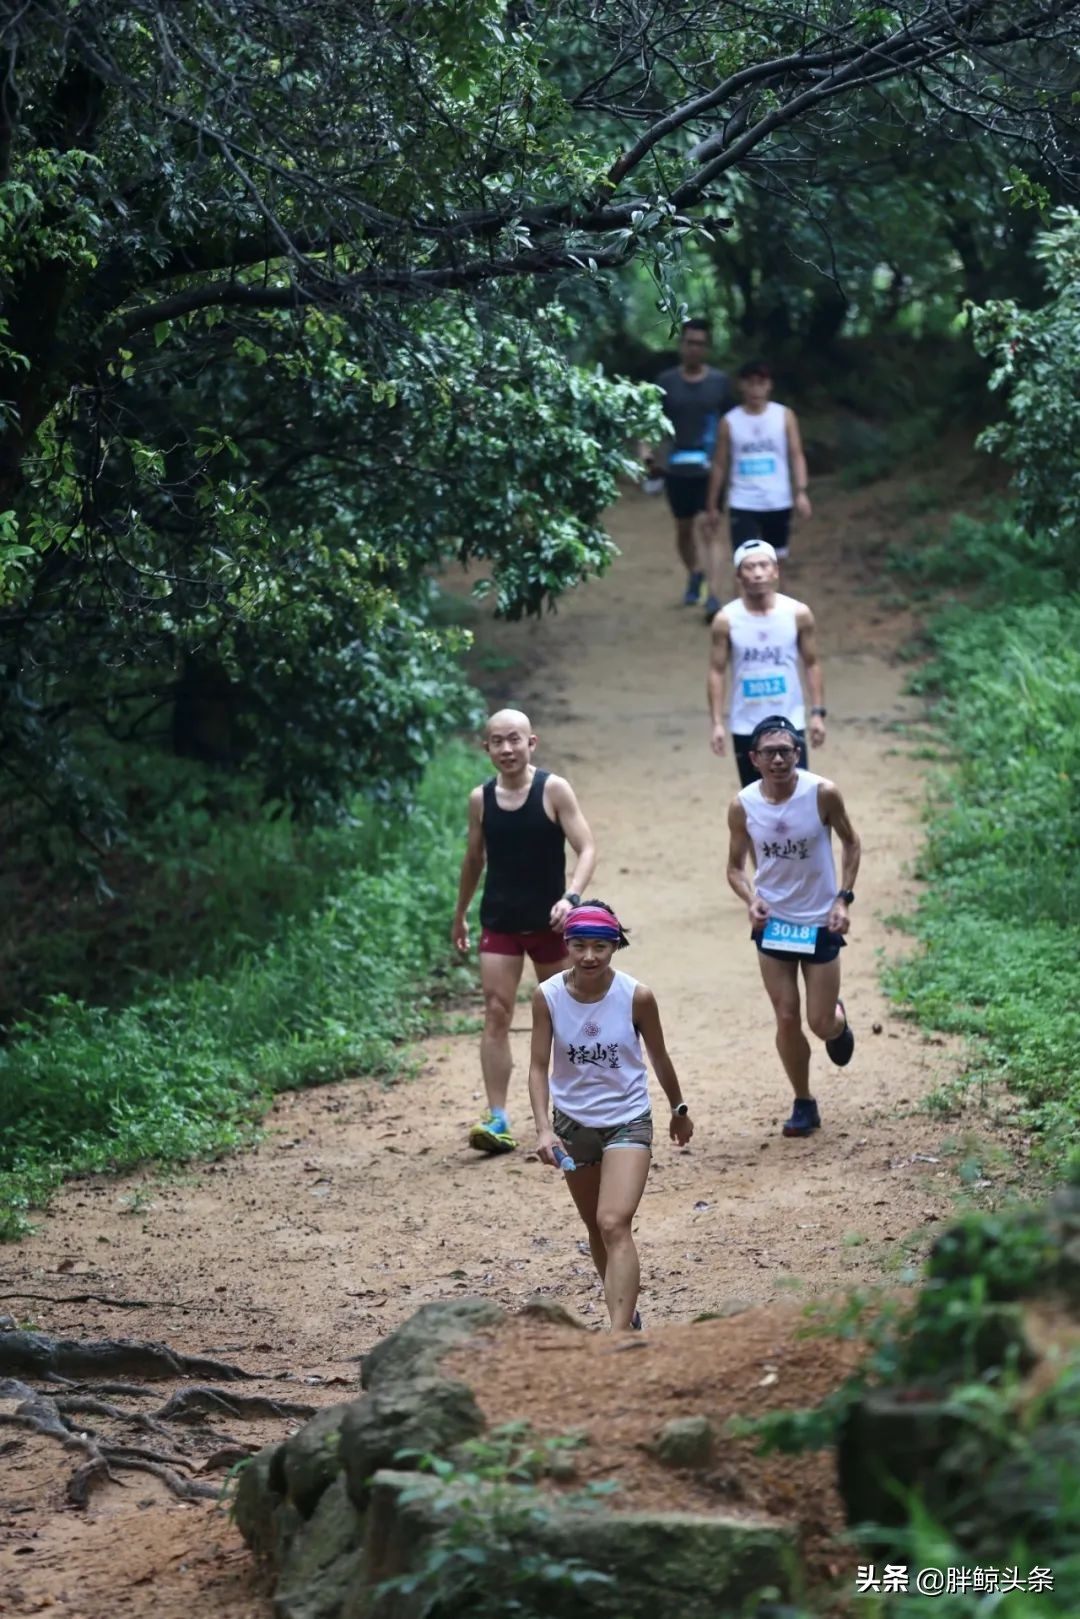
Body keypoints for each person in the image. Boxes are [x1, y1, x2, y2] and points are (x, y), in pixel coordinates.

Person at [528, 901, 693, 1331]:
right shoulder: (547, 997)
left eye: (599, 946)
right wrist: (544, 1129)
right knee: (596, 1227)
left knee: (613, 1221)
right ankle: (625, 1315)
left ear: (615, 946)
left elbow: (658, 1055)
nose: (588, 956)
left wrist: (678, 1109)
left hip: (628, 1118)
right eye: (579, 945)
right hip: (572, 1125)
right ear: (566, 945)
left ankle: (619, 1336)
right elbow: (537, 1066)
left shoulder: (635, 996)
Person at [452, 708, 596, 1156]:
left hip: (550, 923)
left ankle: (578, 1110)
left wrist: (571, 897)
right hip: (499, 921)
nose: (507, 749)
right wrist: (460, 913)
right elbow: (474, 859)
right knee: (496, 1010)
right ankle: (497, 1117)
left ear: (532, 743)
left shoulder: (552, 789)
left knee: (564, 1016)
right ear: (487, 748)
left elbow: (587, 847)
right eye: (498, 741)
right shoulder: (481, 799)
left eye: (515, 739)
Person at [725, 716, 860, 1139]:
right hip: (775, 924)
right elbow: (734, 868)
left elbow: (851, 842)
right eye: (769, 752)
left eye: (786, 750)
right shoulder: (743, 805)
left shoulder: (822, 793)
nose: (779, 759)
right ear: (754, 759)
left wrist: (843, 898)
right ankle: (803, 1101)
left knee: (818, 1023)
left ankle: (837, 1021)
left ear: (797, 754)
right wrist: (753, 899)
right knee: (786, 1016)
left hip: (820, 919)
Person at [707, 537, 827, 786]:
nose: (758, 573)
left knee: (797, 796)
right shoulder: (726, 619)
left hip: (790, 720)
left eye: (763, 565)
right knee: (755, 801)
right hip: (746, 723)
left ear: (775, 571)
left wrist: (817, 713)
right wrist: (717, 723)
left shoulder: (797, 614)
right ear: (739, 575)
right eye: (750, 567)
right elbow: (717, 671)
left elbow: (812, 663)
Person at [703, 359, 812, 618]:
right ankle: (741, 620)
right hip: (744, 501)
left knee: (778, 561)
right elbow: (719, 464)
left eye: (761, 382)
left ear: (769, 385)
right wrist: (712, 504)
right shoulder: (730, 422)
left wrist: (801, 491)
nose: (755, 389)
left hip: (778, 500)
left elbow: (796, 454)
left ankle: (780, 617)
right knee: (745, 563)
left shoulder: (784, 416)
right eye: (750, 383)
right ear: (741, 385)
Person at [645, 319, 734, 609]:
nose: (694, 349)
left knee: (710, 527)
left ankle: (715, 595)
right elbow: (649, 422)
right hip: (676, 468)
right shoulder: (666, 382)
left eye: (700, 343)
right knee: (684, 529)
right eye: (689, 342)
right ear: (681, 345)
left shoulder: (720, 383)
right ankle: (695, 573)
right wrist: (646, 452)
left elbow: (732, 424)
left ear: (707, 348)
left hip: (711, 469)